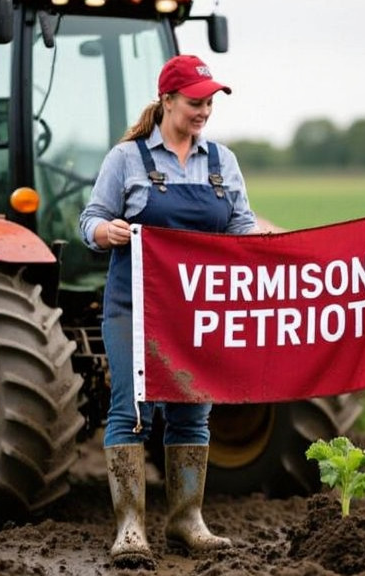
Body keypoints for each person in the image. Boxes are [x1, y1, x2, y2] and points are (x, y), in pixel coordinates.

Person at [79, 54, 260, 569]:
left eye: (209, 103)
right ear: (168, 101)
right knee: (132, 410)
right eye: (195, 102)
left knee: (192, 410)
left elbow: (241, 226)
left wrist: (266, 252)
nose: (204, 110)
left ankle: (187, 520)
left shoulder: (222, 161)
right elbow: (89, 219)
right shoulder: (127, 158)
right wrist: (105, 231)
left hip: (196, 309)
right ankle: (131, 526)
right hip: (133, 305)